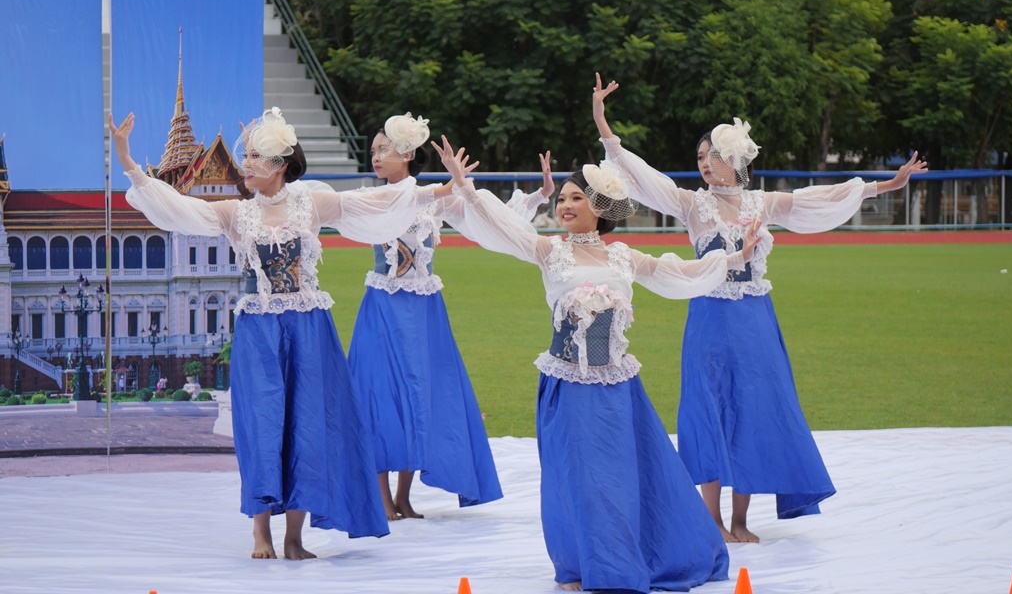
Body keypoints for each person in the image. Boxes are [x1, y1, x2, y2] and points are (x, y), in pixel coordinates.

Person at [592, 74, 928, 543]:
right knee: (708, 407)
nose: (704, 164)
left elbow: (820, 198)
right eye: (700, 158)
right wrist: (604, 124)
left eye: (711, 156)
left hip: (755, 320)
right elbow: (644, 176)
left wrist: (884, 185)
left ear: (734, 161)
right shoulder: (693, 205)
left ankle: (740, 521)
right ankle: (711, 520)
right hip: (710, 316)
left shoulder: (761, 203)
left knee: (752, 407)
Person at [109, 107, 452, 560]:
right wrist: (128, 160)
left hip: (309, 327)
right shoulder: (236, 213)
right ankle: (261, 532)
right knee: (264, 424)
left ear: (280, 165)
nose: (246, 164)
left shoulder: (312, 203)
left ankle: (294, 536)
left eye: (255, 157)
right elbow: (180, 209)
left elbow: (376, 201)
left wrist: (449, 186)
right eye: (246, 156)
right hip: (260, 331)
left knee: (308, 424)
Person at [434, 136, 763, 593]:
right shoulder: (550, 251)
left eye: (576, 198)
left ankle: (631, 558)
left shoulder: (624, 256)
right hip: (568, 385)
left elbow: (680, 272)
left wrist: (736, 258)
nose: (565, 205)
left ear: (600, 206)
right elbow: (504, 229)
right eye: (562, 199)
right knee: (579, 479)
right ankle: (580, 565)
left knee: (628, 476)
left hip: (618, 387)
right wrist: (466, 190)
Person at [348, 113, 554, 520]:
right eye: (373, 150)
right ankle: (381, 495)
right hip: (383, 307)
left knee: (421, 393)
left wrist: (538, 197)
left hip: (425, 310)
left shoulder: (437, 201)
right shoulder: (370, 199)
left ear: (407, 153)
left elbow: (490, 218)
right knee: (380, 394)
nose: (375, 156)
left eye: (383, 149)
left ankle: (403, 496)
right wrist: (454, 183)